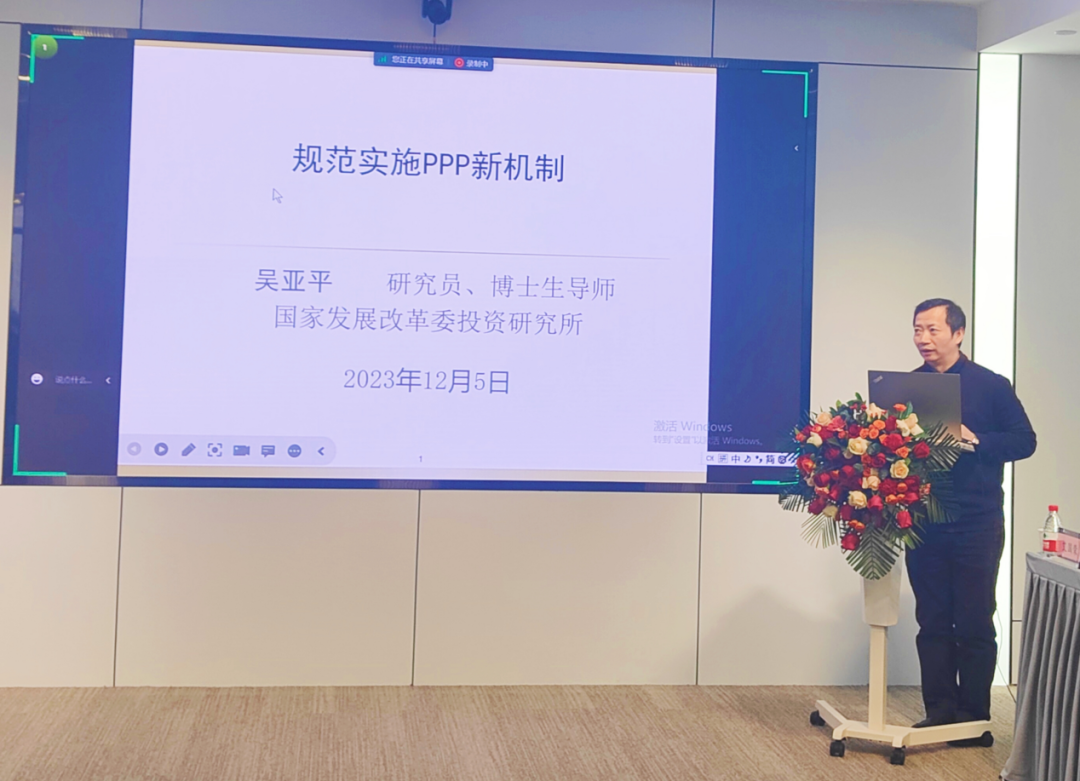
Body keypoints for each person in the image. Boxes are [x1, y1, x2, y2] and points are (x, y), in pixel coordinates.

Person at [906, 298, 1036, 735]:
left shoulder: (991, 385)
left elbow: (1024, 441)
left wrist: (976, 440)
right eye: (918, 330)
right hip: (923, 521)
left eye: (933, 329)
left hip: (977, 522)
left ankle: (974, 717)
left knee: (975, 619)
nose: (923, 338)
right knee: (932, 619)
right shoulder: (907, 388)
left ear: (958, 334)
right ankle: (939, 710)